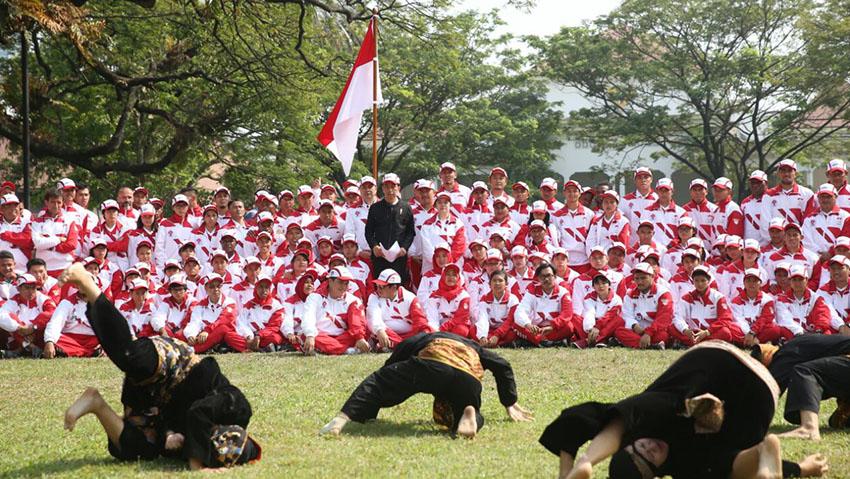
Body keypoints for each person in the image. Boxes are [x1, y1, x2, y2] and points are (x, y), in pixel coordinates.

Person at [58, 263, 261, 469]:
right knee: (131, 358)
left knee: (139, 449)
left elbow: (175, 425)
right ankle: (89, 286)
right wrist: (197, 465)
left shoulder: (202, 443)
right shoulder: (237, 408)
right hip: (179, 365)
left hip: (158, 397)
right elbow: (198, 412)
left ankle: (96, 404)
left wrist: (171, 435)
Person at [540, 340, 827, 479]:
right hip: (757, 402)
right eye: (650, 458)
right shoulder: (685, 465)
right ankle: (765, 448)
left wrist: (570, 467)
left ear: (629, 447)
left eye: (639, 448)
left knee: (631, 415)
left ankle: (587, 461)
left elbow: (575, 419)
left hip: (713, 365)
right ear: (656, 472)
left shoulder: (649, 421)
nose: (650, 447)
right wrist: (802, 469)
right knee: (717, 468)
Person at [319, 331, 533, 439]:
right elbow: (502, 365)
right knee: (468, 407)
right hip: (468, 377)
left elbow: (386, 375)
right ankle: (469, 414)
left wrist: (371, 406)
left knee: (379, 381)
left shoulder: (424, 338)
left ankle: (340, 421)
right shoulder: (473, 345)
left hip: (434, 362)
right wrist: (509, 402)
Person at [753, 334, 850, 442]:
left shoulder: (786, 352)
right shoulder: (800, 346)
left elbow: (770, 390)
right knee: (837, 422)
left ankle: (809, 429)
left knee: (805, 371)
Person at [301, 266, 370, 355]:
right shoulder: (314, 297)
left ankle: (325, 350)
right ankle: (346, 351)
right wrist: (310, 335)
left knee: (359, 335)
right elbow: (308, 317)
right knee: (307, 336)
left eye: (346, 283)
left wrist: (359, 338)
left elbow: (356, 323)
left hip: (343, 337)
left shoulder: (353, 300)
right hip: (321, 335)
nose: (344, 286)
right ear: (330, 281)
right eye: (340, 282)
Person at [365, 173, 416, 285]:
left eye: (393, 186)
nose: (390, 190)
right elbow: (368, 231)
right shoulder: (375, 208)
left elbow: (410, 232)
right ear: (382, 188)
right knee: (380, 286)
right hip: (380, 257)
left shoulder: (406, 207)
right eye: (386, 187)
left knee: (398, 287)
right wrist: (374, 246)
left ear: (398, 187)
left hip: (399, 258)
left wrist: (404, 248)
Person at [366, 269, 431, 350]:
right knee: (373, 329)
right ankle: (401, 346)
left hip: (408, 334)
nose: (378, 289)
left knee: (425, 332)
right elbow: (373, 317)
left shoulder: (410, 298)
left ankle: (393, 345)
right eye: (377, 285)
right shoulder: (374, 297)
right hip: (385, 333)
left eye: (382, 287)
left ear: (394, 287)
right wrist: (379, 330)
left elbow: (420, 322)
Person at [615, 262, 672, 349]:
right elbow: (627, 315)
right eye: (636, 278)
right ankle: (652, 346)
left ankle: (640, 344)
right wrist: (635, 326)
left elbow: (664, 318)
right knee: (619, 331)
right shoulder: (630, 294)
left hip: (655, 331)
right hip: (638, 331)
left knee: (663, 335)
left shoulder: (663, 293)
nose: (640, 282)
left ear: (652, 277)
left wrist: (648, 333)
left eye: (643, 278)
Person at [182, 273, 239, 353]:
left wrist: (207, 331)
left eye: (218, 286)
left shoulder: (229, 302)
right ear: (205, 288)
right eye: (212, 287)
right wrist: (191, 335)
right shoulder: (200, 305)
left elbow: (223, 320)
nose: (216, 289)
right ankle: (211, 348)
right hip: (206, 337)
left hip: (225, 335)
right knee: (182, 334)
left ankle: (192, 350)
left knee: (223, 329)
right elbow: (194, 323)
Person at [231, 274, 284, 352]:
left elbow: (274, 326)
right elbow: (241, 322)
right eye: (261, 287)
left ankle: (250, 347)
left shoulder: (276, 305)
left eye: (266, 287)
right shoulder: (248, 304)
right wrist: (249, 336)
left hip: (266, 335)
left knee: (276, 338)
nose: (264, 290)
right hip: (250, 335)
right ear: (256, 288)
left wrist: (259, 335)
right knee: (231, 335)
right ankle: (260, 347)